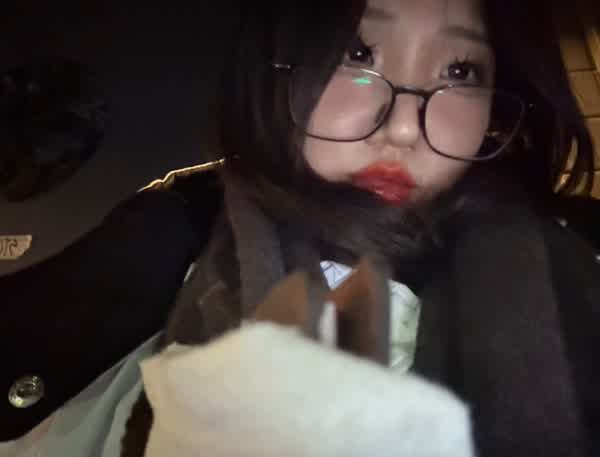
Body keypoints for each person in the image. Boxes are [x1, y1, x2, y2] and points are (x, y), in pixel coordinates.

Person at [2, 0, 600, 456]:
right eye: (357, 54)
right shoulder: (165, 250)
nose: (403, 127)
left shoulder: (574, 264)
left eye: (461, 69)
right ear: (274, 69)